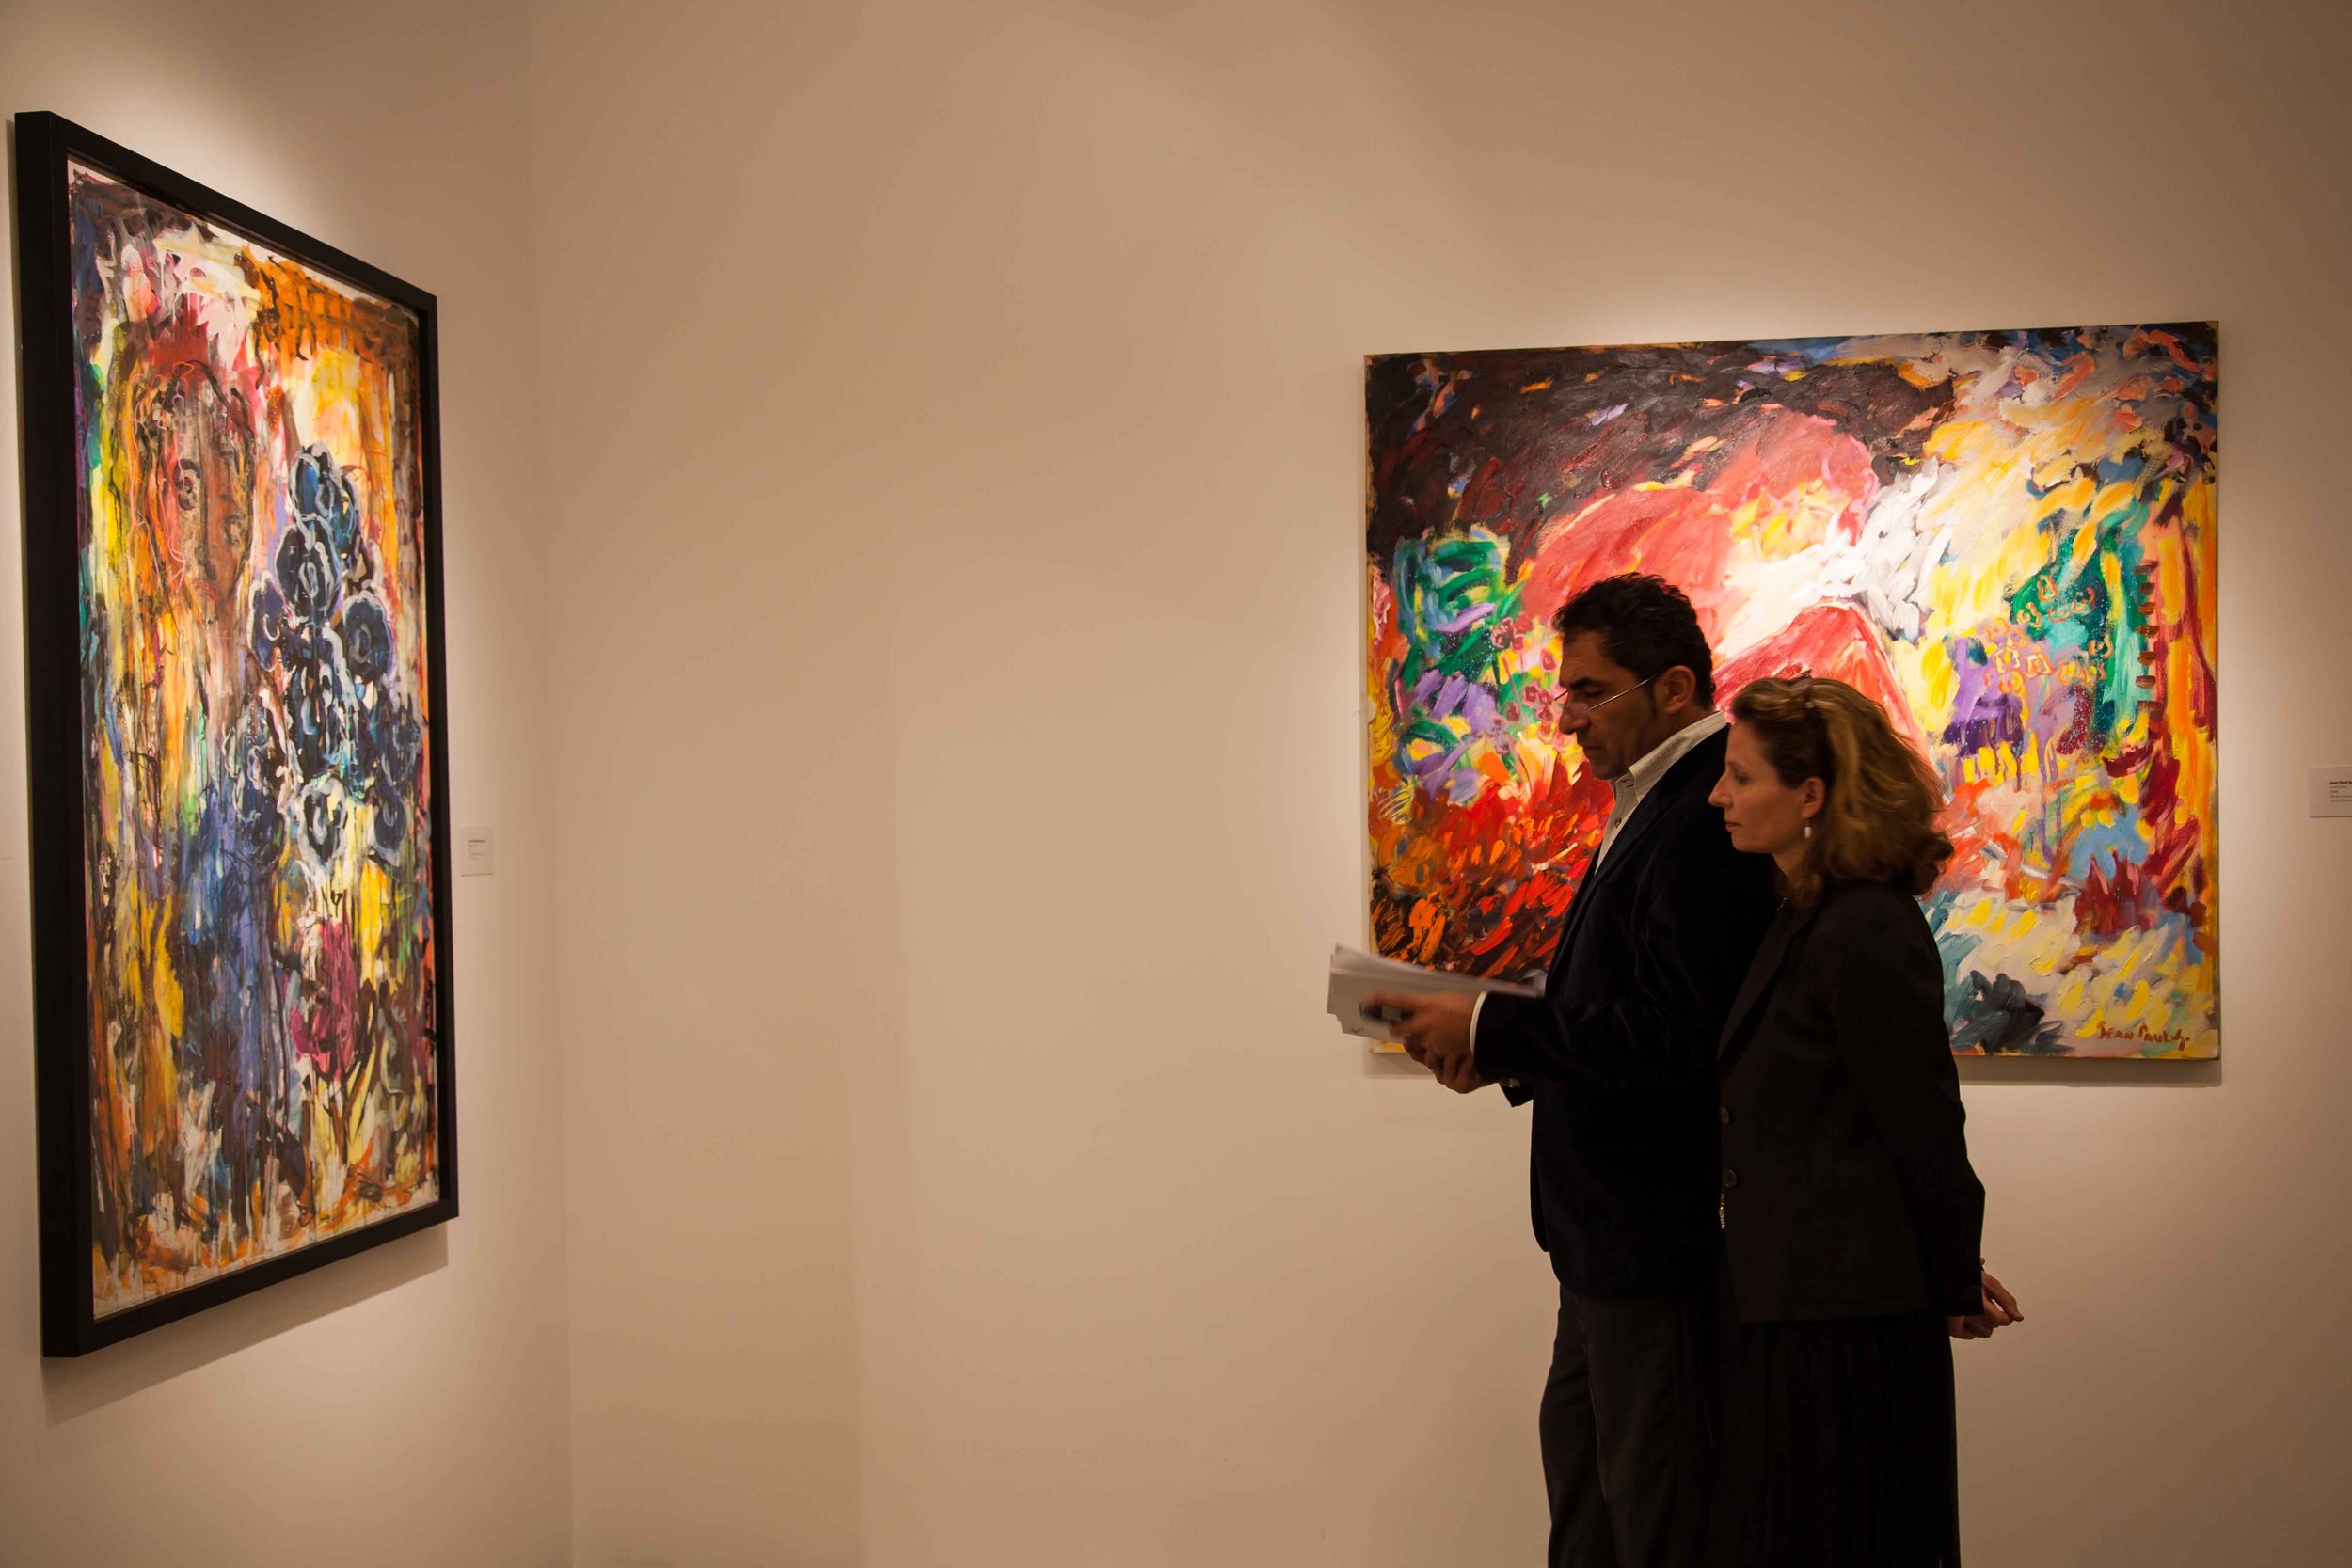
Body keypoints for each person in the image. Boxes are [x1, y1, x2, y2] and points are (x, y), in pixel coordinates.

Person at [1369, 574, 1778, 1568]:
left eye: (1591, 692)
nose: (1569, 718)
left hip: (1653, 1246)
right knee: (1594, 1525)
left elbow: (1671, 1034)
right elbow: (1614, 1018)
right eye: (1566, 692)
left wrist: (1492, 1029)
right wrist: (1492, 1051)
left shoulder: (1701, 816)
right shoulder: (1653, 805)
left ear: (1673, 687)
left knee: (1655, 1527)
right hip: (1602, 1247)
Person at [1705, 674, 2023, 1568]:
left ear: (1809, 796)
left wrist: (1955, 1276)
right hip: (1796, 1307)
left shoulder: (1863, 927)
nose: (1718, 795)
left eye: (1740, 776)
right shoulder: (1802, 915)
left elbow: (1922, 1124)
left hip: (1846, 1330)